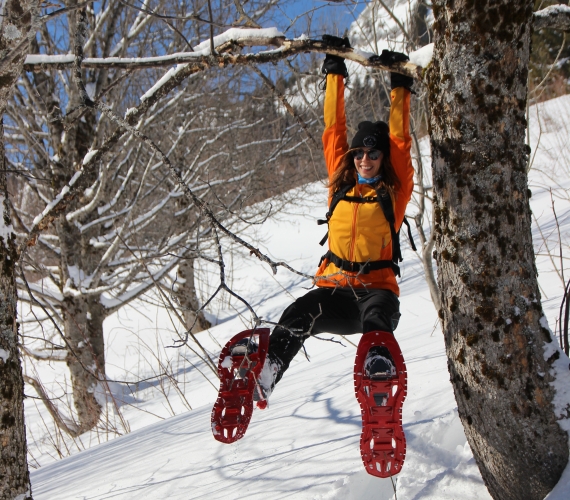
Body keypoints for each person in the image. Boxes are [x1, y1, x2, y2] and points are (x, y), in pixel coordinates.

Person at [232, 36, 415, 403]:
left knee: (378, 319)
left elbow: (400, 140)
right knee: (298, 312)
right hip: (336, 293)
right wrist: (334, 69)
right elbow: (333, 129)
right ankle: (265, 373)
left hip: (376, 294)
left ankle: (379, 380)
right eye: (360, 152)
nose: (365, 158)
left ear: (382, 159)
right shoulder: (339, 186)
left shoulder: (393, 193)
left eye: (373, 153)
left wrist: (399, 86)